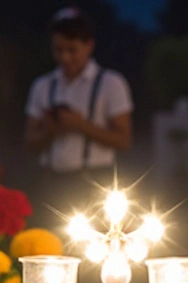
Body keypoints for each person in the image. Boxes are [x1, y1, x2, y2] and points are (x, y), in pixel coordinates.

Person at [23, 8, 133, 219]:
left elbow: (124, 140)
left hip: (96, 182)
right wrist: (51, 131)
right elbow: (29, 142)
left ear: (89, 45)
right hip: (51, 182)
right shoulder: (43, 86)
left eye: (72, 50)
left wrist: (80, 125)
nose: (65, 57)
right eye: (58, 50)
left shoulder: (111, 83)